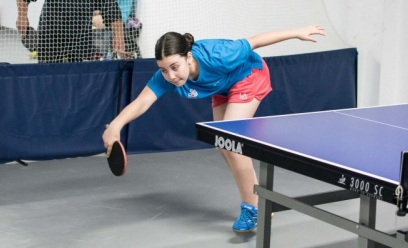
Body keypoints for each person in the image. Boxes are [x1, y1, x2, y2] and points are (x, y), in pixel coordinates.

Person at [103, 25, 325, 233]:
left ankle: (253, 209)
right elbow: (142, 102)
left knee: (232, 143)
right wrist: (116, 125)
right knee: (222, 145)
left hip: (249, 75)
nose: (171, 76)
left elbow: (255, 41)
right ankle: (259, 201)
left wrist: (297, 32)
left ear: (188, 57)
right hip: (222, 86)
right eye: (163, 70)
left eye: (175, 67)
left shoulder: (218, 55)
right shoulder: (166, 78)